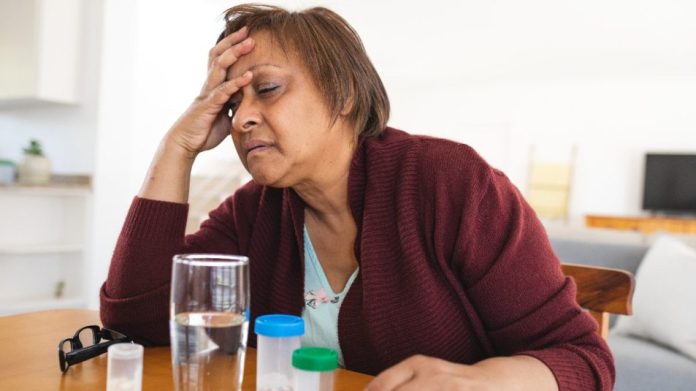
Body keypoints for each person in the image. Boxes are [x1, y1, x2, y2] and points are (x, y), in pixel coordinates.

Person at [100, 4, 613, 390]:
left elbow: (583, 359)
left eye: (268, 89)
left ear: (343, 92)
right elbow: (135, 320)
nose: (244, 119)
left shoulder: (451, 183)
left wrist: (481, 381)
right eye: (232, 104)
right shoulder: (255, 210)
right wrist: (177, 149)